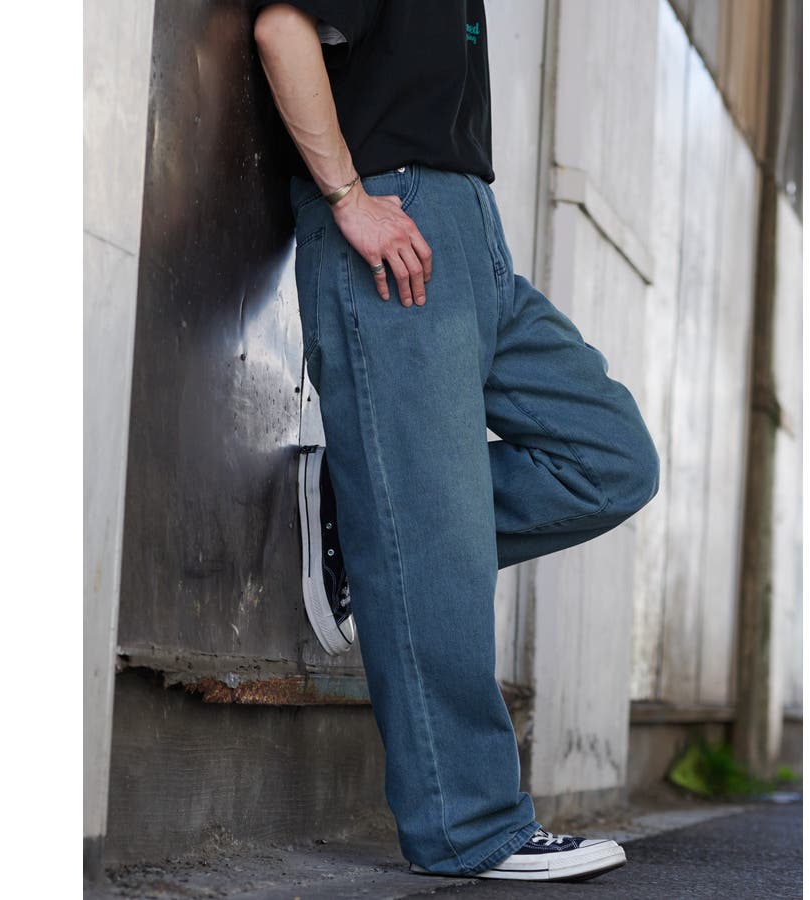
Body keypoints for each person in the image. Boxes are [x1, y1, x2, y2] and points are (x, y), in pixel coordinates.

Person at [251, 0, 659, 882]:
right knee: (432, 539)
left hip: (471, 232)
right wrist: (349, 198)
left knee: (611, 459)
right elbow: (283, 29)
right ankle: (469, 824)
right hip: (394, 227)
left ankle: (359, 514)